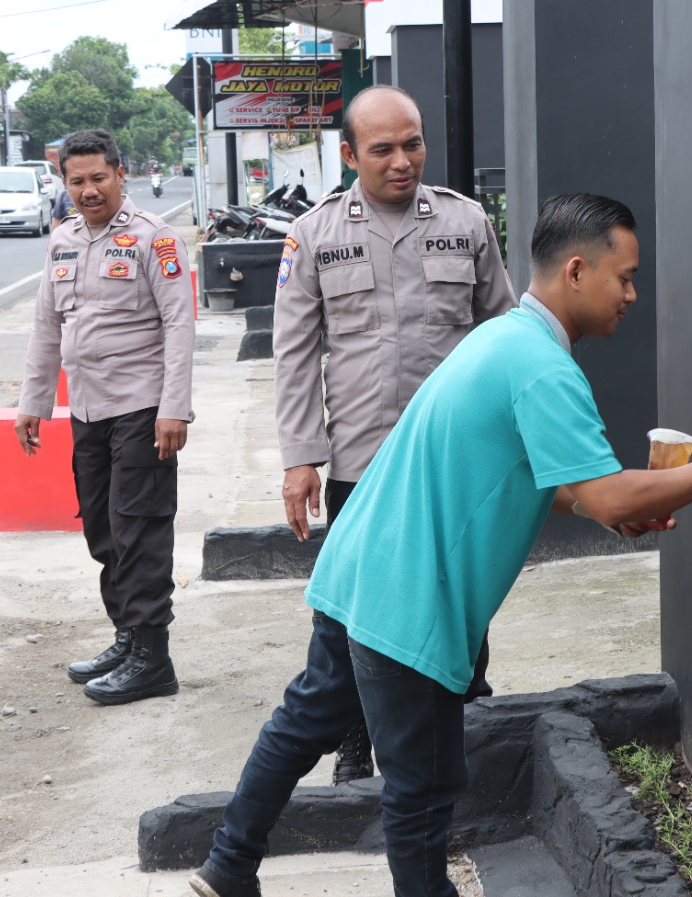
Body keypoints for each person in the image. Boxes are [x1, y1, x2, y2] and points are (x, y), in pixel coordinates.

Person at [189, 193, 692, 897]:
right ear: (574, 270)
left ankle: (228, 864)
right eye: (623, 276)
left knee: (307, 720)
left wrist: (606, 506)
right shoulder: (543, 367)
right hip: (408, 591)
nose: (632, 293)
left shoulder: (505, 337)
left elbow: (554, 482)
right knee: (424, 781)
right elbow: (606, 495)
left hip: (358, 563)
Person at [273, 84, 518, 786]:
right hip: (362, 458)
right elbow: (294, 354)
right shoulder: (314, 234)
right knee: (357, 608)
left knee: (461, 594)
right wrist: (301, 459)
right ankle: (355, 739)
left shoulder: (465, 222)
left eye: (412, 143)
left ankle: (464, 720)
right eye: (383, 149)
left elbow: (501, 333)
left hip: (454, 460)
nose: (402, 160)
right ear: (349, 154)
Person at [14, 129, 196, 706]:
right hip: (88, 407)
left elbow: (179, 326)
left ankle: (152, 657)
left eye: (98, 178)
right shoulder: (63, 239)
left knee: (140, 527)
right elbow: (47, 325)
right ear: (63, 184)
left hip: (142, 407)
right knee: (103, 527)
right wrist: (33, 402)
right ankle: (126, 636)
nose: (88, 191)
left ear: (120, 173)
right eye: (77, 181)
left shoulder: (154, 239)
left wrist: (174, 408)